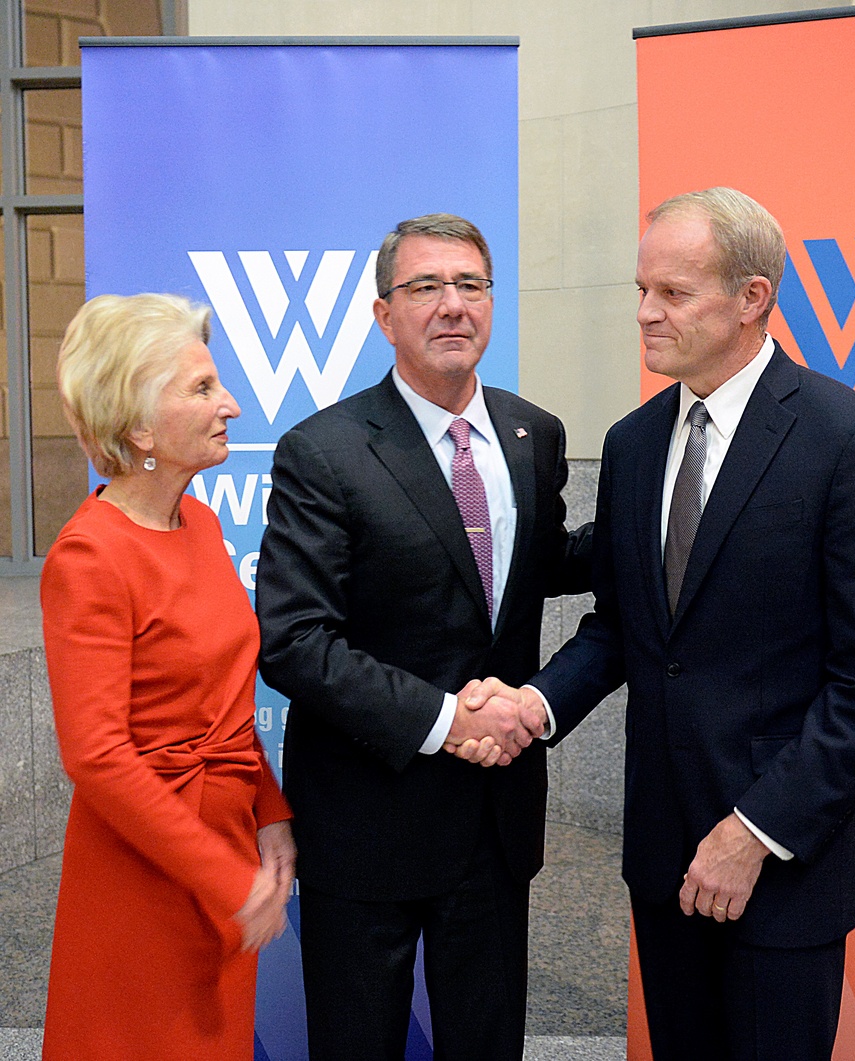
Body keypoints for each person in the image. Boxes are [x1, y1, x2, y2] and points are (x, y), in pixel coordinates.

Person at [464, 188, 855, 1060]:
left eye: (673, 293)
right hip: (662, 855)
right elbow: (623, 626)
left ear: (752, 298)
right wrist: (535, 705)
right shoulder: (637, 442)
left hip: (782, 863)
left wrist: (752, 833)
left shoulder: (848, 439)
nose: (644, 313)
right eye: (641, 289)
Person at [255, 213, 591, 1060]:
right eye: (425, 287)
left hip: (495, 818)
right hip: (369, 819)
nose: (452, 305)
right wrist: (449, 720)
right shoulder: (323, 450)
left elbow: (529, 568)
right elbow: (295, 639)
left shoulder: (533, 434)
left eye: (470, 285)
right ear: (382, 314)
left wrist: (660, 531)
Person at [40, 294, 295, 1061]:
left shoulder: (204, 523)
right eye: (202, 389)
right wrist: (224, 875)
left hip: (221, 855)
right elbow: (95, 756)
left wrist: (268, 811)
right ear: (139, 428)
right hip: (143, 874)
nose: (232, 405)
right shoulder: (88, 557)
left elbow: (222, 703)